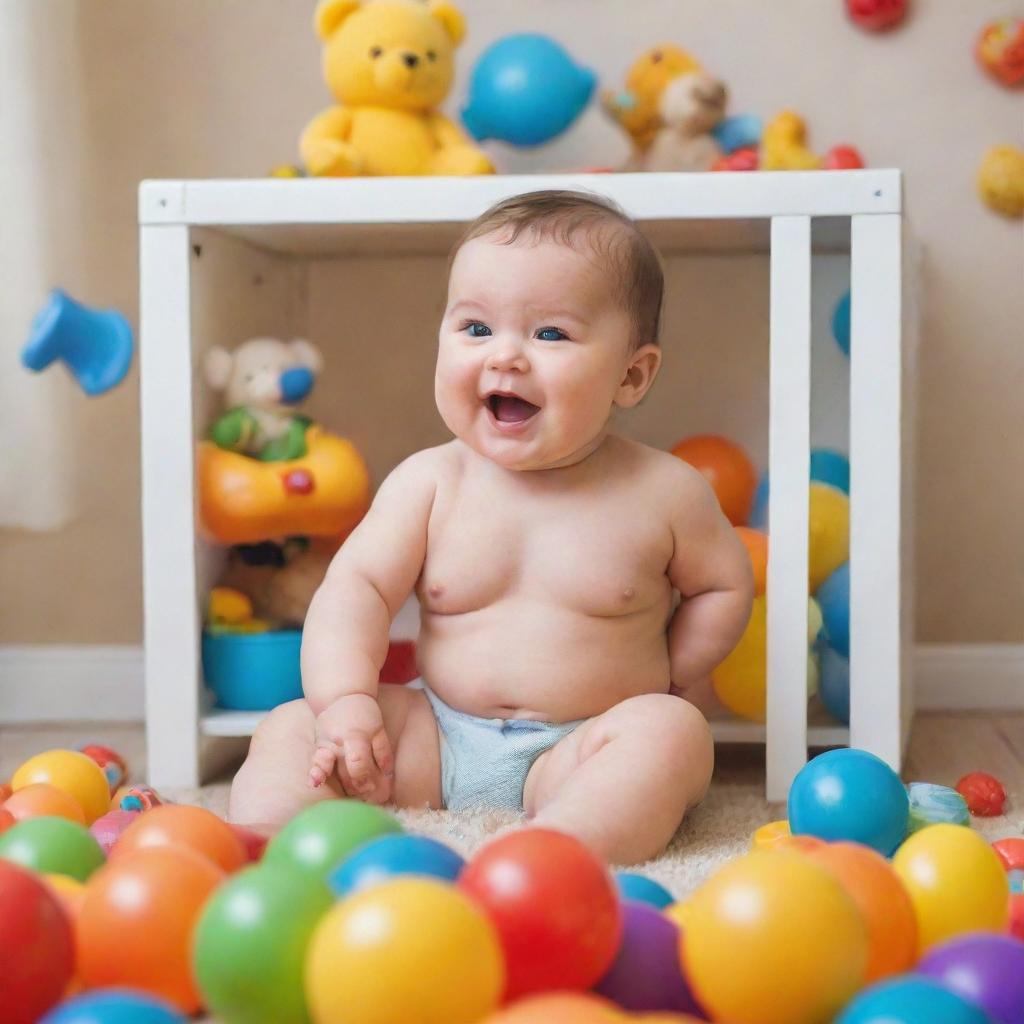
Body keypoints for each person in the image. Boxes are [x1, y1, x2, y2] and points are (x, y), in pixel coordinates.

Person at [229, 189, 753, 864]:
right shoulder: (428, 483)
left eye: (551, 333)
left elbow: (724, 585)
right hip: (433, 738)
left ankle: (557, 850)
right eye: (476, 329)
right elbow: (355, 588)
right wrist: (346, 702)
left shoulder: (664, 491)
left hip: (581, 745)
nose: (505, 356)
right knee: (290, 726)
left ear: (631, 374)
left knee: (673, 734)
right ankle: (271, 844)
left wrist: (674, 672)